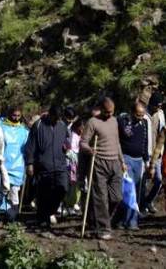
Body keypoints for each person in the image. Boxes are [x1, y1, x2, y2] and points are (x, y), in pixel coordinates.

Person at [80, 97, 125, 240]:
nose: (109, 114)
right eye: (107, 112)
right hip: (99, 162)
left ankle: (95, 221)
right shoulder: (93, 122)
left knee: (116, 197)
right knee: (100, 198)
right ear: (101, 109)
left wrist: (122, 161)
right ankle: (103, 229)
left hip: (115, 163)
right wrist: (89, 150)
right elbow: (83, 142)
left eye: (112, 112)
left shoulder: (114, 121)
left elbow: (117, 142)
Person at [25, 105, 69, 231]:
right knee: (43, 194)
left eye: (59, 118)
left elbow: (66, 141)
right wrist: (30, 163)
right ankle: (42, 220)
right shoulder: (38, 125)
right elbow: (31, 146)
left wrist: (67, 146)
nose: (57, 120)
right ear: (50, 114)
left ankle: (50, 211)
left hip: (60, 165)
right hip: (43, 165)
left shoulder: (62, 126)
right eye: (55, 117)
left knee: (63, 188)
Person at [116, 102, 150, 231]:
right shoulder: (124, 121)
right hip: (126, 159)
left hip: (139, 160)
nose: (140, 117)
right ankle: (132, 222)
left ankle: (119, 220)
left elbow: (145, 141)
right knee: (129, 191)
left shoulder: (144, 123)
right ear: (131, 112)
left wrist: (146, 160)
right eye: (138, 115)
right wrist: (127, 121)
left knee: (136, 190)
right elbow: (126, 134)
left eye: (142, 115)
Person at [0, 107, 29, 221]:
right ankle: (1, 213)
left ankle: (13, 215)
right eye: (14, 115)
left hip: (18, 166)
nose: (16, 118)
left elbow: (27, 148)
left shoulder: (24, 131)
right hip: (4, 164)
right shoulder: (1, 128)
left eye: (18, 116)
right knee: (2, 189)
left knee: (14, 191)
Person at [143, 92, 166, 214]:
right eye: (156, 106)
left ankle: (148, 201)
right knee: (144, 181)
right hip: (145, 152)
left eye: (160, 106)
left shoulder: (161, 115)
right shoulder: (143, 114)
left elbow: (162, 133)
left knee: (158, 179)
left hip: (157, 153)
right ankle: (141, 205)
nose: (158, 108)